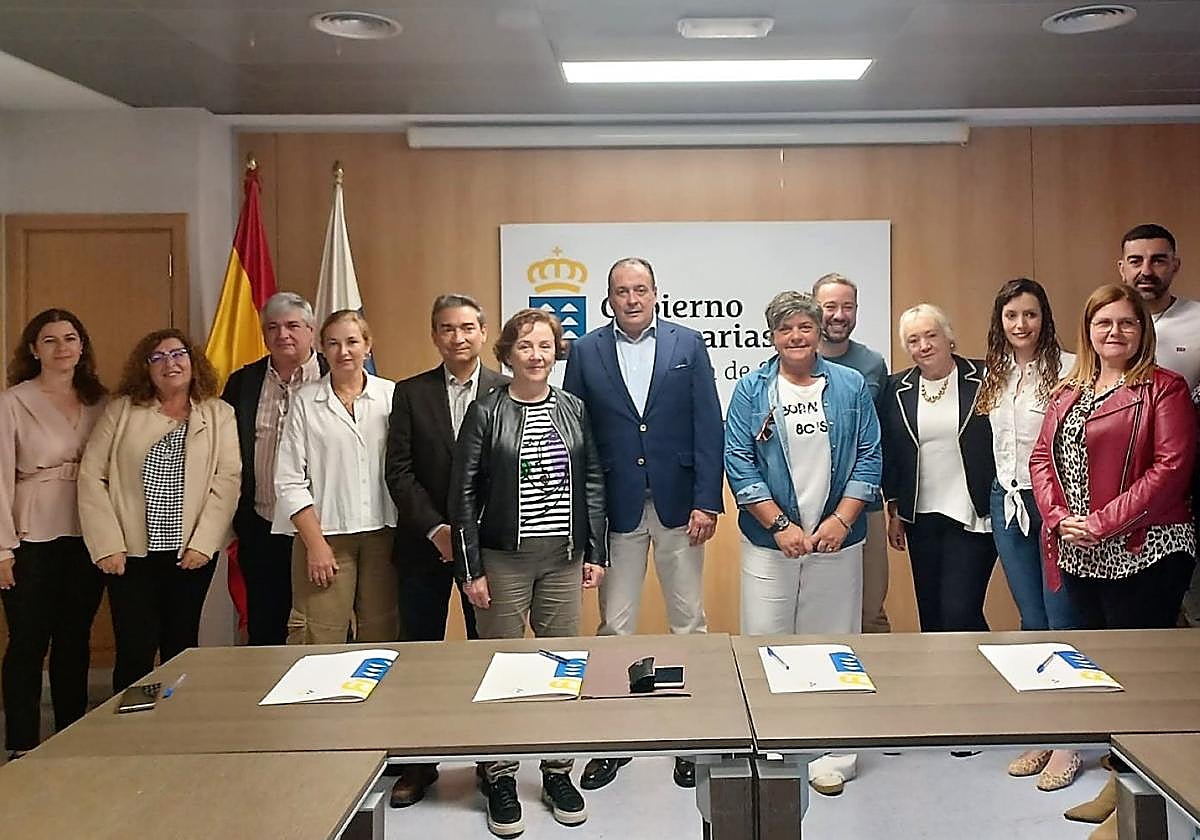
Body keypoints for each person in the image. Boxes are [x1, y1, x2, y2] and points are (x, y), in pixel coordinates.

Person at [1031, 284, 1197, 839]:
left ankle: (1135, 797)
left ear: (1142, 329)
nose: (1115, 333)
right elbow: (1040, 458)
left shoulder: (1164, 388)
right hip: (1077, 550)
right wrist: (1059, 519)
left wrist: (1100, 523)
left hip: (1145, 549)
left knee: (1138, 677)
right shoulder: (1069, 387)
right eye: (1104, 323)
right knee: (1095, 669)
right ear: (1089, 330)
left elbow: (1170, 470)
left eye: (1126, 323)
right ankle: (1116, 780)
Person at [563, 256, 723, 792]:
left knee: (689, 623)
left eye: (641, 289)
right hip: (615, 507)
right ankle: (615, 741)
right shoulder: (585, 351)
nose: (632, 299)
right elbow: (575, 437)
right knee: (615, 626)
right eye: (621, 291)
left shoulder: (688, 345)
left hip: (681, 506)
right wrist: (584, 517)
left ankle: (689, 742)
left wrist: (708, 501)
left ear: (657, 293)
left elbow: (709, 426)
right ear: (609, 298)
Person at [451, 308, 606, 839]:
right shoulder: (486, 412)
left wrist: (595, 552)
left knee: (562, 671)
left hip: (562, 558)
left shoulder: (573, 408)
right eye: (525, 346)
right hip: (503, 560)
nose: (536, 356)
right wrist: (470, 568)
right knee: (506, 673)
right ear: (507, 354)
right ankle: (499, 774)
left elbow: (591, 482)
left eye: (546, 345)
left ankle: (557, 772)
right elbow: (464, 495)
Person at [725, 291, 882, 798]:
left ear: (819, 332)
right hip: (771, 544)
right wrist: (778, 526)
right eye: (786, 329)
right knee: (768, 640)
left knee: (833, 643)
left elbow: (868, 456)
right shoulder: (751, 390)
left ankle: (834, 751)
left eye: (805, 328)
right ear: (772, 335)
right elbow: (739, 462)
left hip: (838, 541)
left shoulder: (851, 385)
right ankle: (772, 743)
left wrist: (840, 520)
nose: (797, 337)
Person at [383, 293, 507, 808]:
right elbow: (400, 471)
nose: (458, 337)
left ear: (483, 333)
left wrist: (472, 534)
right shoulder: (410, 393)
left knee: (489, 655)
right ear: (435, 336)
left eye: (467, 327)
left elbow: (517, 473)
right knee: (420, 658)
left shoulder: (507, 389)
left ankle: (491, 763)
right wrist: (438, 530)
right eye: (446, 328)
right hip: (424, 548)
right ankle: (418, 763)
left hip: (491, 549)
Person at [79, 329, 240, 693]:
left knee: (181, 646)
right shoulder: (121, 411)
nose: (171, 363)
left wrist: (205, 543)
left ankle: (176, 733)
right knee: (135, 648)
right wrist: (106, 545)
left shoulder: (219, 414)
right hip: (130, 555)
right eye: (158, 357)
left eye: (178, 354)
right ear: (145, 368)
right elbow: (91, 477)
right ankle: (127, 735)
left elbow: (227, 481)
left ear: (193, 362)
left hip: (190, 554)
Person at [976, 279, 1083, 791]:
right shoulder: (995, 375)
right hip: (1008, 501)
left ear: (1045, 318)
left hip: (1054, 508)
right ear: (1000, 322)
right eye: (1011, 316)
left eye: (1031, 315)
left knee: (1063, 621)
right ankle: (1044, 729)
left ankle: (1071, 741)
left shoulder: (1068, 370)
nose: (1021, 326)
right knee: (1031, 620)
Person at [0, 309, 107, 759]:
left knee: (73, 638)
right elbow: (0, 476)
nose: (62, 348)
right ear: (33, 349)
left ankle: (70, 733)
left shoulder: (101, 400)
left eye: (70, 338)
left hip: (88, 532)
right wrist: (2, 549)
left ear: (82, 347)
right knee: (28, 639)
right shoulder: (13, 401)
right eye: (50, 340)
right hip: (31, 535)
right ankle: (23, 741)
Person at [273, 310, 399, 646]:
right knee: (318, 637)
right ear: (322, 349)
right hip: (325, 537)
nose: (344, 351)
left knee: (382, 636)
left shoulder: (392, 397)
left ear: (367, 346)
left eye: (352, 342)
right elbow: (288, 481)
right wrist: (315, 546)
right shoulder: (304, 401)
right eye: (333, 343)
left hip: (382, 537)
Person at [880, 304, 996, 632]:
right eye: (914, 340)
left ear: (949, 337)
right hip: (921, 516)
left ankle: (980, 676)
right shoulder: (896, 389)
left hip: (975, 515)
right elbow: (892, 453)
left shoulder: (985, 376)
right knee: (931, 614)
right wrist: (895, 510)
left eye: (931, 335)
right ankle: (944, 681)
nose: (924, 345)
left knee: (960, 611)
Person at [221, 292, 324, 646]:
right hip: (262, 525)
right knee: (265, 625)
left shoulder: (336, 374)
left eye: (293, 326)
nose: (283, 335)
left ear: (311, 331)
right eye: (273, 327)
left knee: (325, 624)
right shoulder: (242, 382)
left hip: (323, 528)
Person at [1116, 223, 1200, 628]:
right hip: (1122, 489)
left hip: (1188, 481)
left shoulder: (1197, 320)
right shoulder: (1109, 321)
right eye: (1136, 261)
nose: (1146, 270)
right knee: (1138, 610)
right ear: (1122, 268)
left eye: (1158, 260)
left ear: (1175, 265)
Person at [813, 272, 891, 633]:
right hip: (809, 509)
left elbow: (884, 437)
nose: (839, 315)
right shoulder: (793, 361)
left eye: (848, 306)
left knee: (871, 610)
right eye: (830, 307)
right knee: (818, 611)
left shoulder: (872, 363)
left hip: (866, 506)